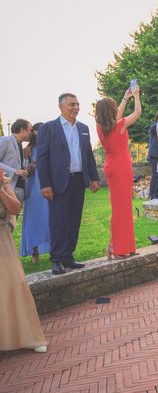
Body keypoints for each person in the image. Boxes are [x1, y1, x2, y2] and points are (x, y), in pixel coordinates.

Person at [37, 93, 100, 275]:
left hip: (78, 181)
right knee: (58, 221)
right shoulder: (49, 128)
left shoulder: (84, 128)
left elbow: (88, 155)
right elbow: (42, 159)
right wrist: (45, 184)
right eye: (72, 104)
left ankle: (68, 256)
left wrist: (94, 178)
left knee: (74, 220)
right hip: (57, 183)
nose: (76, 107)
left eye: (78, 104)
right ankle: (56, 259)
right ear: (61, 107)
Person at [0, 168, 47, 353]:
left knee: (15, 285)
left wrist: (1, 191)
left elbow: (15, 208)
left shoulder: (3, 182)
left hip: (3, 239)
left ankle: (28, 336)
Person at [95, 85, 142, 258]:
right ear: (112, 111)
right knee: (123, 209)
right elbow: (137, 113)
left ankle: (120, 246)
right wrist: (136, 96)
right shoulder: (120, 125)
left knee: (120, 208)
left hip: (111, 166)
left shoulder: (100, 127)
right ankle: (119, 248)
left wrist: (125, 98)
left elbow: (117, 116)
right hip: (122, 167)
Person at [20, 123, 50, 263]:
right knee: (33, 220)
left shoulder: (50, 147)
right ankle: (34, 252)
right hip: (33, 188)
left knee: (49, 219)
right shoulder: (27, 150)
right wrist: (30, 168)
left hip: (47, 186)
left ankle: (55, 250)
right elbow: (23, 171)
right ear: (37, 133)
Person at [0, 118, 33, 202]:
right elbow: (16, 170)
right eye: (30, 130)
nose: (32, 133)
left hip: (18, 189)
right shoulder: (5, 140)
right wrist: (15, 171)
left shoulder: (21, 146)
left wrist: (26, 169)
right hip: (6, 189)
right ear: (22, 130)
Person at [147, 113, 158, 200]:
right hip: (154, 154)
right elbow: (153, 127)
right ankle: (152, 195)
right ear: (157, 118)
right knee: (155, 175)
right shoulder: (154, 127)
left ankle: (156, 193)